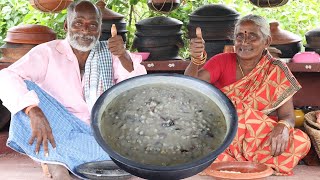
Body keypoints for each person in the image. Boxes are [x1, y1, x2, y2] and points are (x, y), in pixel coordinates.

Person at [0, 0, 146, 179]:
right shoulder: (48, 52)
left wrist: (123, 55)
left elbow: (136, 87)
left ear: (99, 29)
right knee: (23, 96)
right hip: (57, 130)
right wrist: (33, 110)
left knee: (130, 143)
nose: (85, 30)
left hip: (99, 131)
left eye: (92, 25)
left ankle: (58, 161)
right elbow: (6, 77)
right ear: (66, 25)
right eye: (78, 23)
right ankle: (69, 161)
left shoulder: (112, 53)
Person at [185, 14, 310, 176]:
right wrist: (195, 59)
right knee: (233, 111)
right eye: (239, 36)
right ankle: (254, 165)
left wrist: (283, 127)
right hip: (224, 133)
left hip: (255, 139)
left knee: (301, 141)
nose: (244, 42)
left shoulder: (276, 69)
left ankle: (234, 163)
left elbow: (287, 116)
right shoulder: (221, 61)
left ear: (267, 41)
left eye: (252, 36)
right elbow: (190, 86)